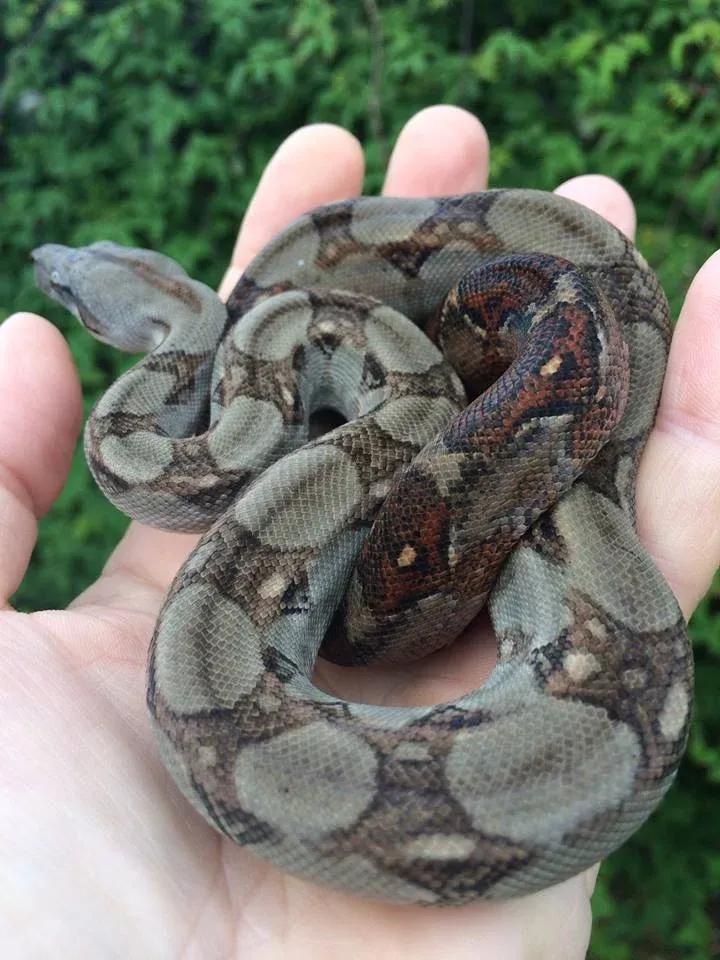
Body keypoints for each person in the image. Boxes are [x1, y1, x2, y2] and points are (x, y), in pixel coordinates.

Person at [2, 105, 717, 958]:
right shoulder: (279, 363)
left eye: (70, 288)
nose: (58, 269)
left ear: (125, 326)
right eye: (72, 282)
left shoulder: (156, 434)